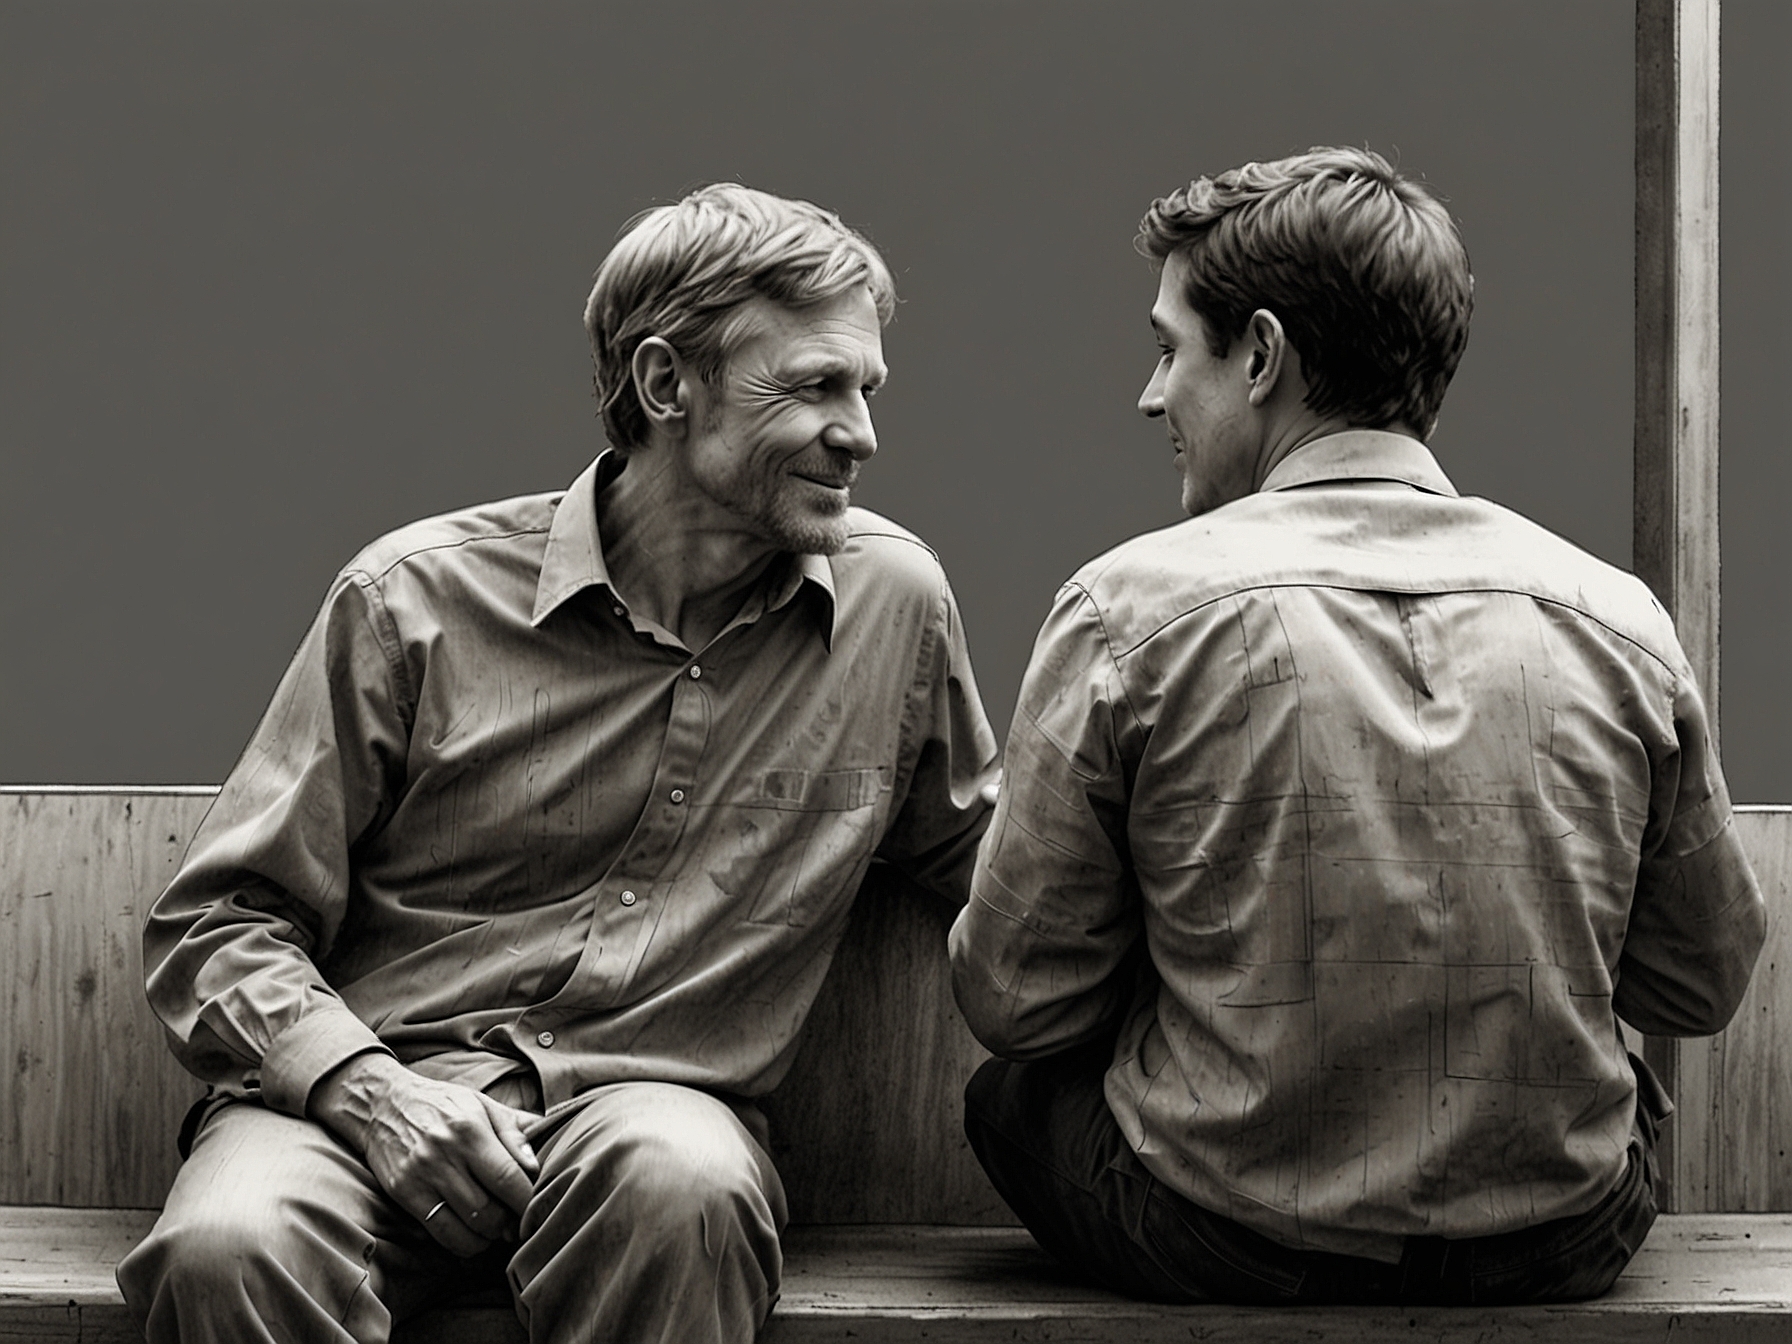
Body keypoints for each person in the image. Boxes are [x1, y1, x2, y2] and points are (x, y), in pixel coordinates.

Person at [117, 183, 998, 1344]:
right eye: (816, 385)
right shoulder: (414, 601)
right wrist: (366, 1090)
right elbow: (219, 924)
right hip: (361, 1097)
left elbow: (1010, 866)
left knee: (685, 1189)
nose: (863, 432)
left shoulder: (893, 605)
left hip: (648, 1113)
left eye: (867, 389)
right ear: (665, 384)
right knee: (227, 1246)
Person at [947, 146, 1765, 1307]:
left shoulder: (1127, 612)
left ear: (1264, 355)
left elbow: (1016, 999)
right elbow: (1700, 986)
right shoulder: (1614, 617)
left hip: (1222, 1239)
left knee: (1007, 1098)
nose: (1149, 394)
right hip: (1559, 1241)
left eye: (1169, 348)